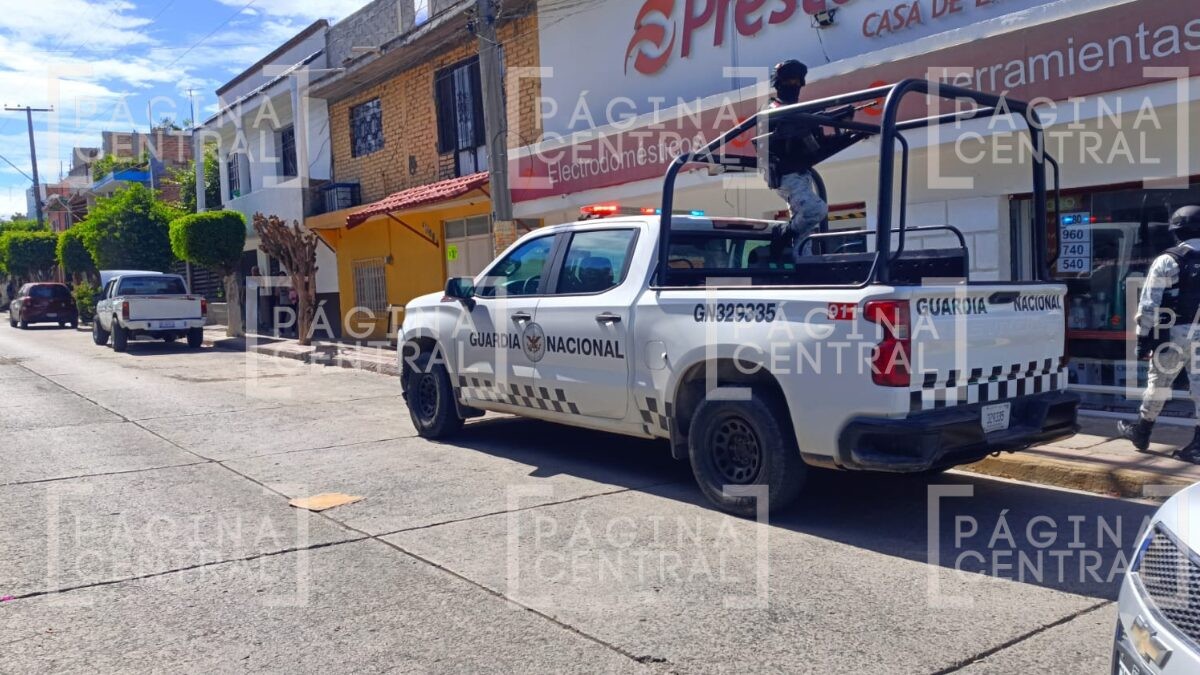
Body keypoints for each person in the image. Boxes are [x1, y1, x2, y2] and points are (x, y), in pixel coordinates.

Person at [1118, 205, 1200, 463]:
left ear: (1176, 231)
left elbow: (1149, 305)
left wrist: (1143, 341)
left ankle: (1142, 431)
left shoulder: (1168, 260)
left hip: (1172, 334)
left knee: (1159, 385)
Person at [760, 59, 828, 260]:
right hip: (784, 172)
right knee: (814, 209)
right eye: (790, 81)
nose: (794, 86)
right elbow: (769, 140)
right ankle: (782, 236)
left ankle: (801, 264)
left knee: (804, 235)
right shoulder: (773, 108)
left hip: (801, 172)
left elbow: (814, 144)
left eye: (798, 82)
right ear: (779, 84)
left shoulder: (800, 111)